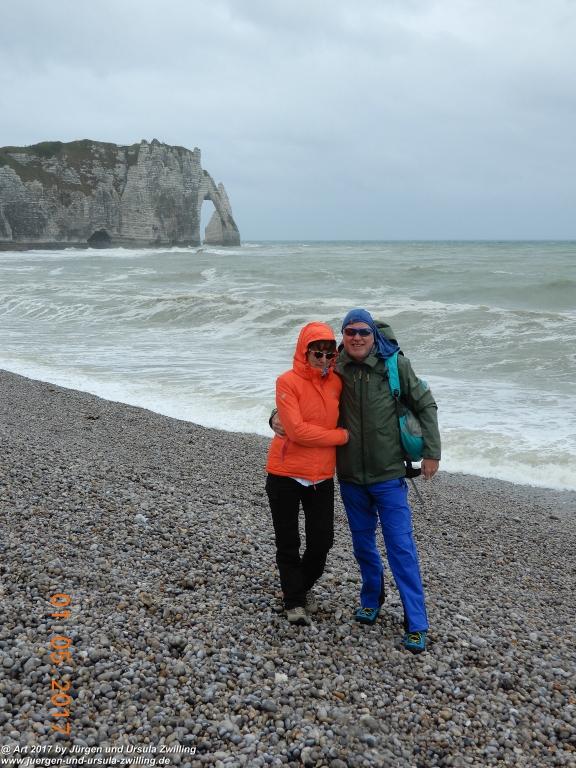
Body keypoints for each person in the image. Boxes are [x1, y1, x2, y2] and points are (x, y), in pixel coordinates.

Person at [272, 309, 440, 652]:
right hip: (350, 477)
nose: (357, 337)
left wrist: (432, 453)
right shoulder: (336, 367)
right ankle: (371, 598)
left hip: (389, 475)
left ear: (373, 335)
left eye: (364, 331)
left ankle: (416, 622)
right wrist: (274, 416)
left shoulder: (395, 366)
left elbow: (425, 403)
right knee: (363, 546)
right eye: (350, 332)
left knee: (400, 547)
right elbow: (303, 390)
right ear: (343, 337)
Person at [266, 322, 349, 626]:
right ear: (305, 352)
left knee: (322, 542)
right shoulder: (286, 382)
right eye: (317, 353)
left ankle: (298, 587)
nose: (324, 360)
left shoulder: (337, 383)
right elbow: (297, 432)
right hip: (284, 473)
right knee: (288, 542)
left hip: (321, 476)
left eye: (329, 354)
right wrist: (341, 436)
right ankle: (294, 602)